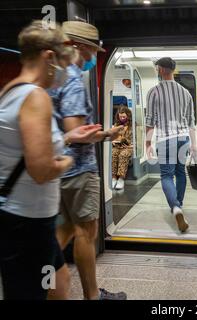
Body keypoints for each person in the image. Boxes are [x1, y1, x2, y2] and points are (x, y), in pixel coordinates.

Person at [0, 21, 102, 300]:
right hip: (27, 220)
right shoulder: (36, 97)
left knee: (59, 283)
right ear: (48, 57)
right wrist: (67, 162)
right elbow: (42, 171)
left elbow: (30, 148)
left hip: (29, 214)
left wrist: (68, 138)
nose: (64, 72)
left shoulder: (10, 90)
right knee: (31, 291)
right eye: (62, 62)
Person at [47, 21, 126, 300]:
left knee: (66, 227)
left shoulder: (52, 75)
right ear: (78, 47)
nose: (94, 58)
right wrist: (108, 134)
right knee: (86, 231)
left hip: (59, 167)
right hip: (78, 169)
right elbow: (76, 132)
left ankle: (43, 280)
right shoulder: (71, 79)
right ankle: (93, 296)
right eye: (92, 52)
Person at [145, 57, 197, 233]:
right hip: (184, 138)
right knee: (180, 173)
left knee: (167, 176)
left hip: (165, 139)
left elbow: (150, 121)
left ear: (160, 70)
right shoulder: (186, 92)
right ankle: (179, 205)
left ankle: (175, 207)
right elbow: (191, 122)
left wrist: (147, 144)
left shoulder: (154, 92)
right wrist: (194, 144)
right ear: (173, 70)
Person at [112, 106, 134, 190]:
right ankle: (114, 178)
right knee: (113, 153)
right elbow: (113, 137)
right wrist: (114, 141)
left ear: (128, 116)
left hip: (128, 147)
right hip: (117, 146)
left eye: (124, 117)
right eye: (120, 117)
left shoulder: (132, 126)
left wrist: (128, 143)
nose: (122, 118)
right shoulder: (116, 125)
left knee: (123, 154)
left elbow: (135, 141)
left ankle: (121, 179)